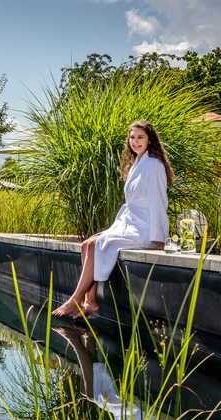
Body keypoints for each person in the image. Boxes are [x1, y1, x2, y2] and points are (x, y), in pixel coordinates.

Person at [52, 120, 175, 318]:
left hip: (144, 229)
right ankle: (89, 302)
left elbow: (157, 203)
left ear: (150, 140)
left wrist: (159, 239)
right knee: (87, 244)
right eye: (132, 137)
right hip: (129, 222)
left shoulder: (153, 166)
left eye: (140, 137)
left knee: (96, 244)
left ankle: (75, 299)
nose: (135, 142)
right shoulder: (137, 164)